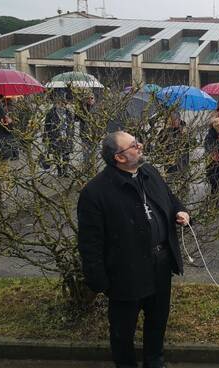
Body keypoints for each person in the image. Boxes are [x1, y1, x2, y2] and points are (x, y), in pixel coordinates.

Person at [77, 131, 190, 368]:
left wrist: (181, 212)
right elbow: (90, 242)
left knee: (158, 321)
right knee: (122, 330)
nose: (140, 146)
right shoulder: (95, 192)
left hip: (160, 264)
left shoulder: (150, 173)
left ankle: (154, 361)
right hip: (125, 272)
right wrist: (99, 281)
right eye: (133, 145)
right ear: (119, 157)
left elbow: (170, 199)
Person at [44, 94, 75, 176]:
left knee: (66, 154)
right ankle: (59, 171)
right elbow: (46, 126)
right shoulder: (51, 113)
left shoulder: (68, 112)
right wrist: (46, 137)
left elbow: (72, 125)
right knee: (57, 155)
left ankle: (66, 171)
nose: (61, 105)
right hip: (55, 137)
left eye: (63, 103)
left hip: (66, 137)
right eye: (59, 103)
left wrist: (71, 135)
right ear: (56, 103)